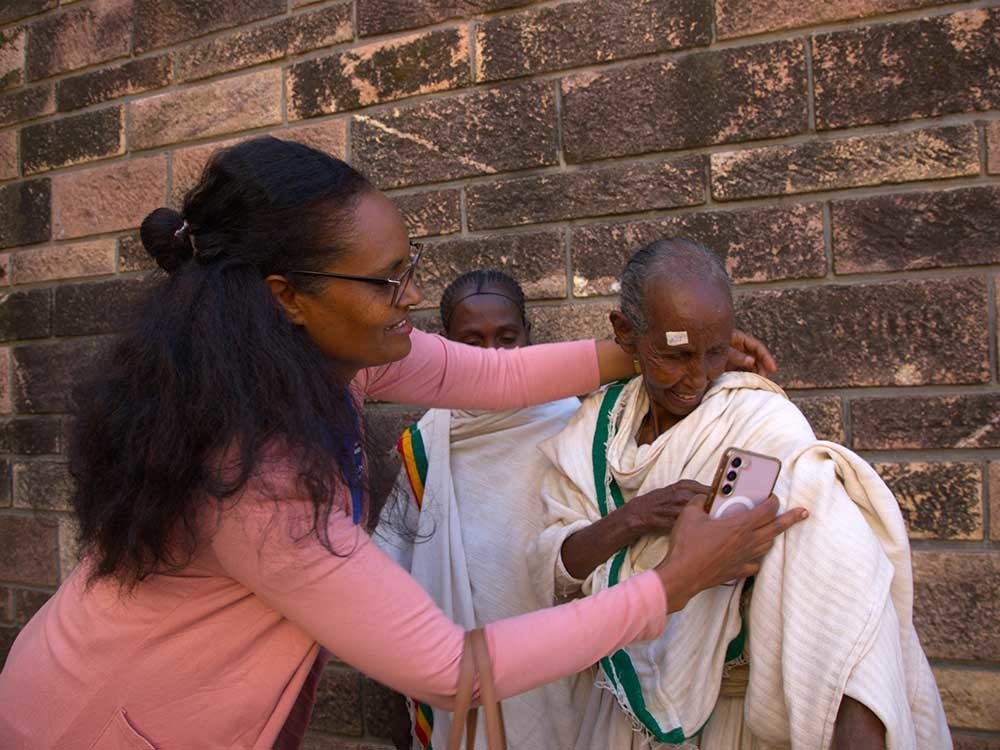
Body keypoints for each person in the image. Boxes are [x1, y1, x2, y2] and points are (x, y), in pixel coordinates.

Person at [0, 139, 803, 750]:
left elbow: (491, 378)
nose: (412, 295)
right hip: (96, 722)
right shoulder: (254, 482)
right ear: (288, 296)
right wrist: (671, 585)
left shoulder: (324, 361)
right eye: (387, 280)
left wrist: (664, 351)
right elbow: (452, 668)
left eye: (408, 266)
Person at [532, 238, 951, 750]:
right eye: (675, 356)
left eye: (713, 352)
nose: (697, 377)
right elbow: (555, 571)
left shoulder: (760, 419)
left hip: (733, 718)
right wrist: (637, 517)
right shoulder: (593, 430)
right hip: (623, 716)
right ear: (625, 333)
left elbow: (825, 558)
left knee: (824, 486)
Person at [378, 269, 585, 750]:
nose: (492, 357)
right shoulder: (428, 442)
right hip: (464, 660)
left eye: (507, 339)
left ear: (528, 337)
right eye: (473, 342)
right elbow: (388, 563)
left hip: (559, 655)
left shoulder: (572, 424)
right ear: (447, 347)